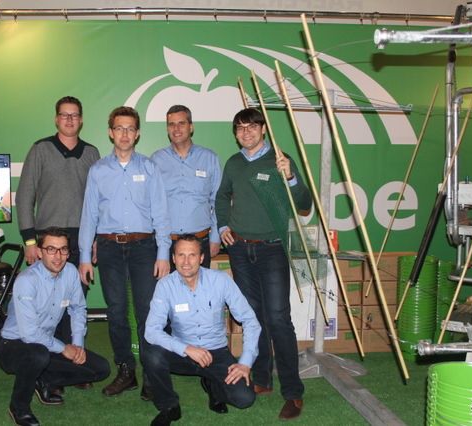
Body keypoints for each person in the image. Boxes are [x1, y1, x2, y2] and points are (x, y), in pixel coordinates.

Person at [215, 108, 312, 421]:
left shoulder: (280, 160)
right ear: (235, 133)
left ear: (263, 129)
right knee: (252, 317)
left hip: (272, 249)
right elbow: (221, 197)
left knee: (278, 318)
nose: (246, 132)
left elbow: (305, 204)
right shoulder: (234, 163)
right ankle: (262, 379)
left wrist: (291, 177)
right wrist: (223, 225)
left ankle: (293, 391)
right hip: (240, 250)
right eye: (240, 128)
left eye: (252, 126)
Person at [78, 106, 171, 399]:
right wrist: (84, 257)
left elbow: (161, 213)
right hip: (108, 248)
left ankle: (152, 375)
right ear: (111, 132)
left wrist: (164, 252)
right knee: (116, 312)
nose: (125, 134)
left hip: (145, 248)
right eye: (119, 128)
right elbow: (89, 216)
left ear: (138, 133)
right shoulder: (98, 171)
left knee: (147, 313)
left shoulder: (150, 168)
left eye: (130, 128)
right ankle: (126, 371)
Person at [0, 227, 110, 426]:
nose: (58, 257)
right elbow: (30, 334)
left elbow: (78, 309)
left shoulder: (71, 272)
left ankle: (43, 380)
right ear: (40, 252)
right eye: (51, 249)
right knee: (38, 355)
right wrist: (64, 348)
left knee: (101, 369)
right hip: (14, 345)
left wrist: (77, 345)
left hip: (46, 343)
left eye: (63, 250)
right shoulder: (26, 281)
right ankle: (19, 407)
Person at [144, 235, 260, 425]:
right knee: (151, 354)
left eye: (192, 255)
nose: (186, 262)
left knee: (244, 398)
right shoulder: (165, 285)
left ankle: (212, 385)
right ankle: (169, 406)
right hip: (182, 351)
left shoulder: (221, 280)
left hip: (216, 352)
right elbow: (151, 330)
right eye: (181, 255)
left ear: (201, 258)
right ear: (173, 258)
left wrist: (245, 362)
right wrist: (186, 348)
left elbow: (250, 320)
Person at [15, 96, 100, 348]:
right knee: (46, 302)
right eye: (64, 115)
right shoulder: (40, 149)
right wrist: (31, 242)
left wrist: (95, 240)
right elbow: (24, 196)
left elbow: (99, 201)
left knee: (75, 302)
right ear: (56, 119)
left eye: (74, 115)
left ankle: (73, 351)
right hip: (48, 241)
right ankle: (47, 353)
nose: (69, 119)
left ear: (81, 120)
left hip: (81, 241)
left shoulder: (92, 153)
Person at [151, 105, 222, 269]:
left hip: (201, 241)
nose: (176, 129)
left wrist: (215, 237)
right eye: (171, 124)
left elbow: (218, 200)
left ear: (191, 127)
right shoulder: (156, 160)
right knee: (167, 286)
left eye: (181, 123)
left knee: (201, 286)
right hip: (167, 243)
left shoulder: (209, 158)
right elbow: (153, 204)